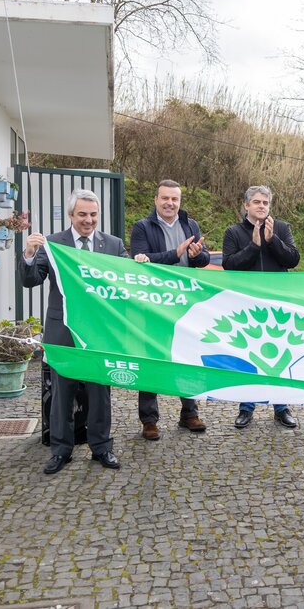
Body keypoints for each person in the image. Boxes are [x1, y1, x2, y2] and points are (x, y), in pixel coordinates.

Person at [21, 189, 125, 473]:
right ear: (70, 215)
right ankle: (61, 450)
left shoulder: (113, 245)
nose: (88, 220)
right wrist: (29, 254)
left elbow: (126, 282)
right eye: (82, 214)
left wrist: (139, 265)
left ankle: (101, 447)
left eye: (93, 214)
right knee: (62, 393)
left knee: (100, 392)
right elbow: (31, 280)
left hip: (99, 332)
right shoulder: (53, 243)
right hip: (62, 330)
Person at [130, 180, 210, 439]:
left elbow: (204, 259)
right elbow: (140, 260)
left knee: (186, 356)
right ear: (156, 199)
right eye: (165, 198)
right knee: (152, 358)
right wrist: (175, 254)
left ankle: (189, 413)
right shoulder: (142, 227)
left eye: (174, 199)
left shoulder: (191, 225)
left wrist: (196, 255)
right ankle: (149, 420)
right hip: (154, 304)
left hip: (185, 304)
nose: (170, 203)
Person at [222, 185, 301, 429]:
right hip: (247, 305)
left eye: (265, 203)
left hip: (277, 305)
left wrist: (271, 240)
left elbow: (293, 259)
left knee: (279, 356)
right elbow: (229, 265)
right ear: (246, 205)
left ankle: (281, 406)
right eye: (256, 202)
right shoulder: (233, 232)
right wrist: (254, 246)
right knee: (248, 355)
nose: (261, 206)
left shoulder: (281, 228)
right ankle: (246, 407)